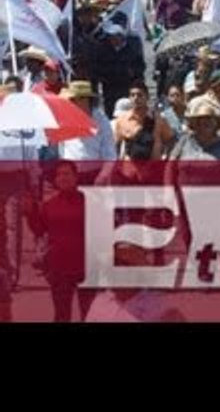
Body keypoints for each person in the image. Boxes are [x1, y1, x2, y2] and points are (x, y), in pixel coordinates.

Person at [23, 161, 92, 322]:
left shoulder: (90, 202)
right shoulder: (49, 205)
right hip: (59, 269)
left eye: (67, 174)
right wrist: (30, 212)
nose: (63, 178)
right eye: (59, 175)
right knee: (61, 315)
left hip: (87, 267)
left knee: (89, 314)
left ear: (76, 177)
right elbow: (39, 230)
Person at [58, 80, 116, 184]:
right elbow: (61, 149)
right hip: (71, 175)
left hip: (94, 175)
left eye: (73, 100)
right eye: (70, 100)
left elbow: (110, 154)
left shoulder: (101, 121)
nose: (71, 103)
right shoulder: (65, 118)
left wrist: (102, 176)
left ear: (85, 100)